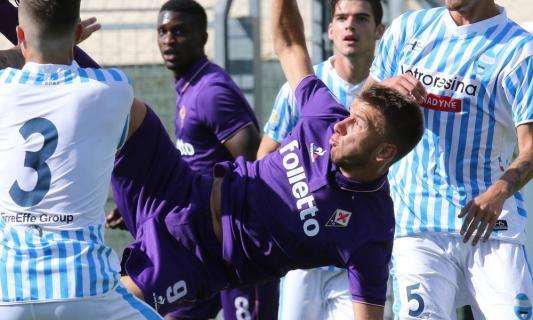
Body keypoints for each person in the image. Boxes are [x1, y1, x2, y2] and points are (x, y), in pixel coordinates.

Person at [110, 0, 424, 319]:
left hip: (200, 256)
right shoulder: (325, 115)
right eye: (350, 115)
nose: (341, 124)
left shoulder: (372, 226)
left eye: (357, 123)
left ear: (384, 152)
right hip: (187, 190)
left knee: (113, 306)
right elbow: (289, 43)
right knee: (118, 103)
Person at [107, 1, 278, 319]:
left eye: (180, 31)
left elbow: (253, 165)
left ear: (202, 36)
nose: (169, 40)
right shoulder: (189, 86)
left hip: (235, 243)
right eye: (163, 31)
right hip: (197, 244)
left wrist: (234, 231)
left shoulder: (211, 92)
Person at [367, 0, 533, 318]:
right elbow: (362, 114)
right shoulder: (407, 29)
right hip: (417, 225)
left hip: (490, 225)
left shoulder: (520, 50)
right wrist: (383, 90)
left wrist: (498, 192)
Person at [0, 0, 163, 319]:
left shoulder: (3, 89)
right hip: (86, 289)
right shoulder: (112, 89)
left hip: (8, 292)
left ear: (19, 35)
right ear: (77, 33)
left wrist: (26, 48)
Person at [257, 0, 384, 319]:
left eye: (361, 18)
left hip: (356, 253)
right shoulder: (302, 87)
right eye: (342, 18)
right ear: (330, 30)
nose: (350, 26)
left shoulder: (387, 94)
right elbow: (265, 155)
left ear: (380, 31)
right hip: (304, 252)